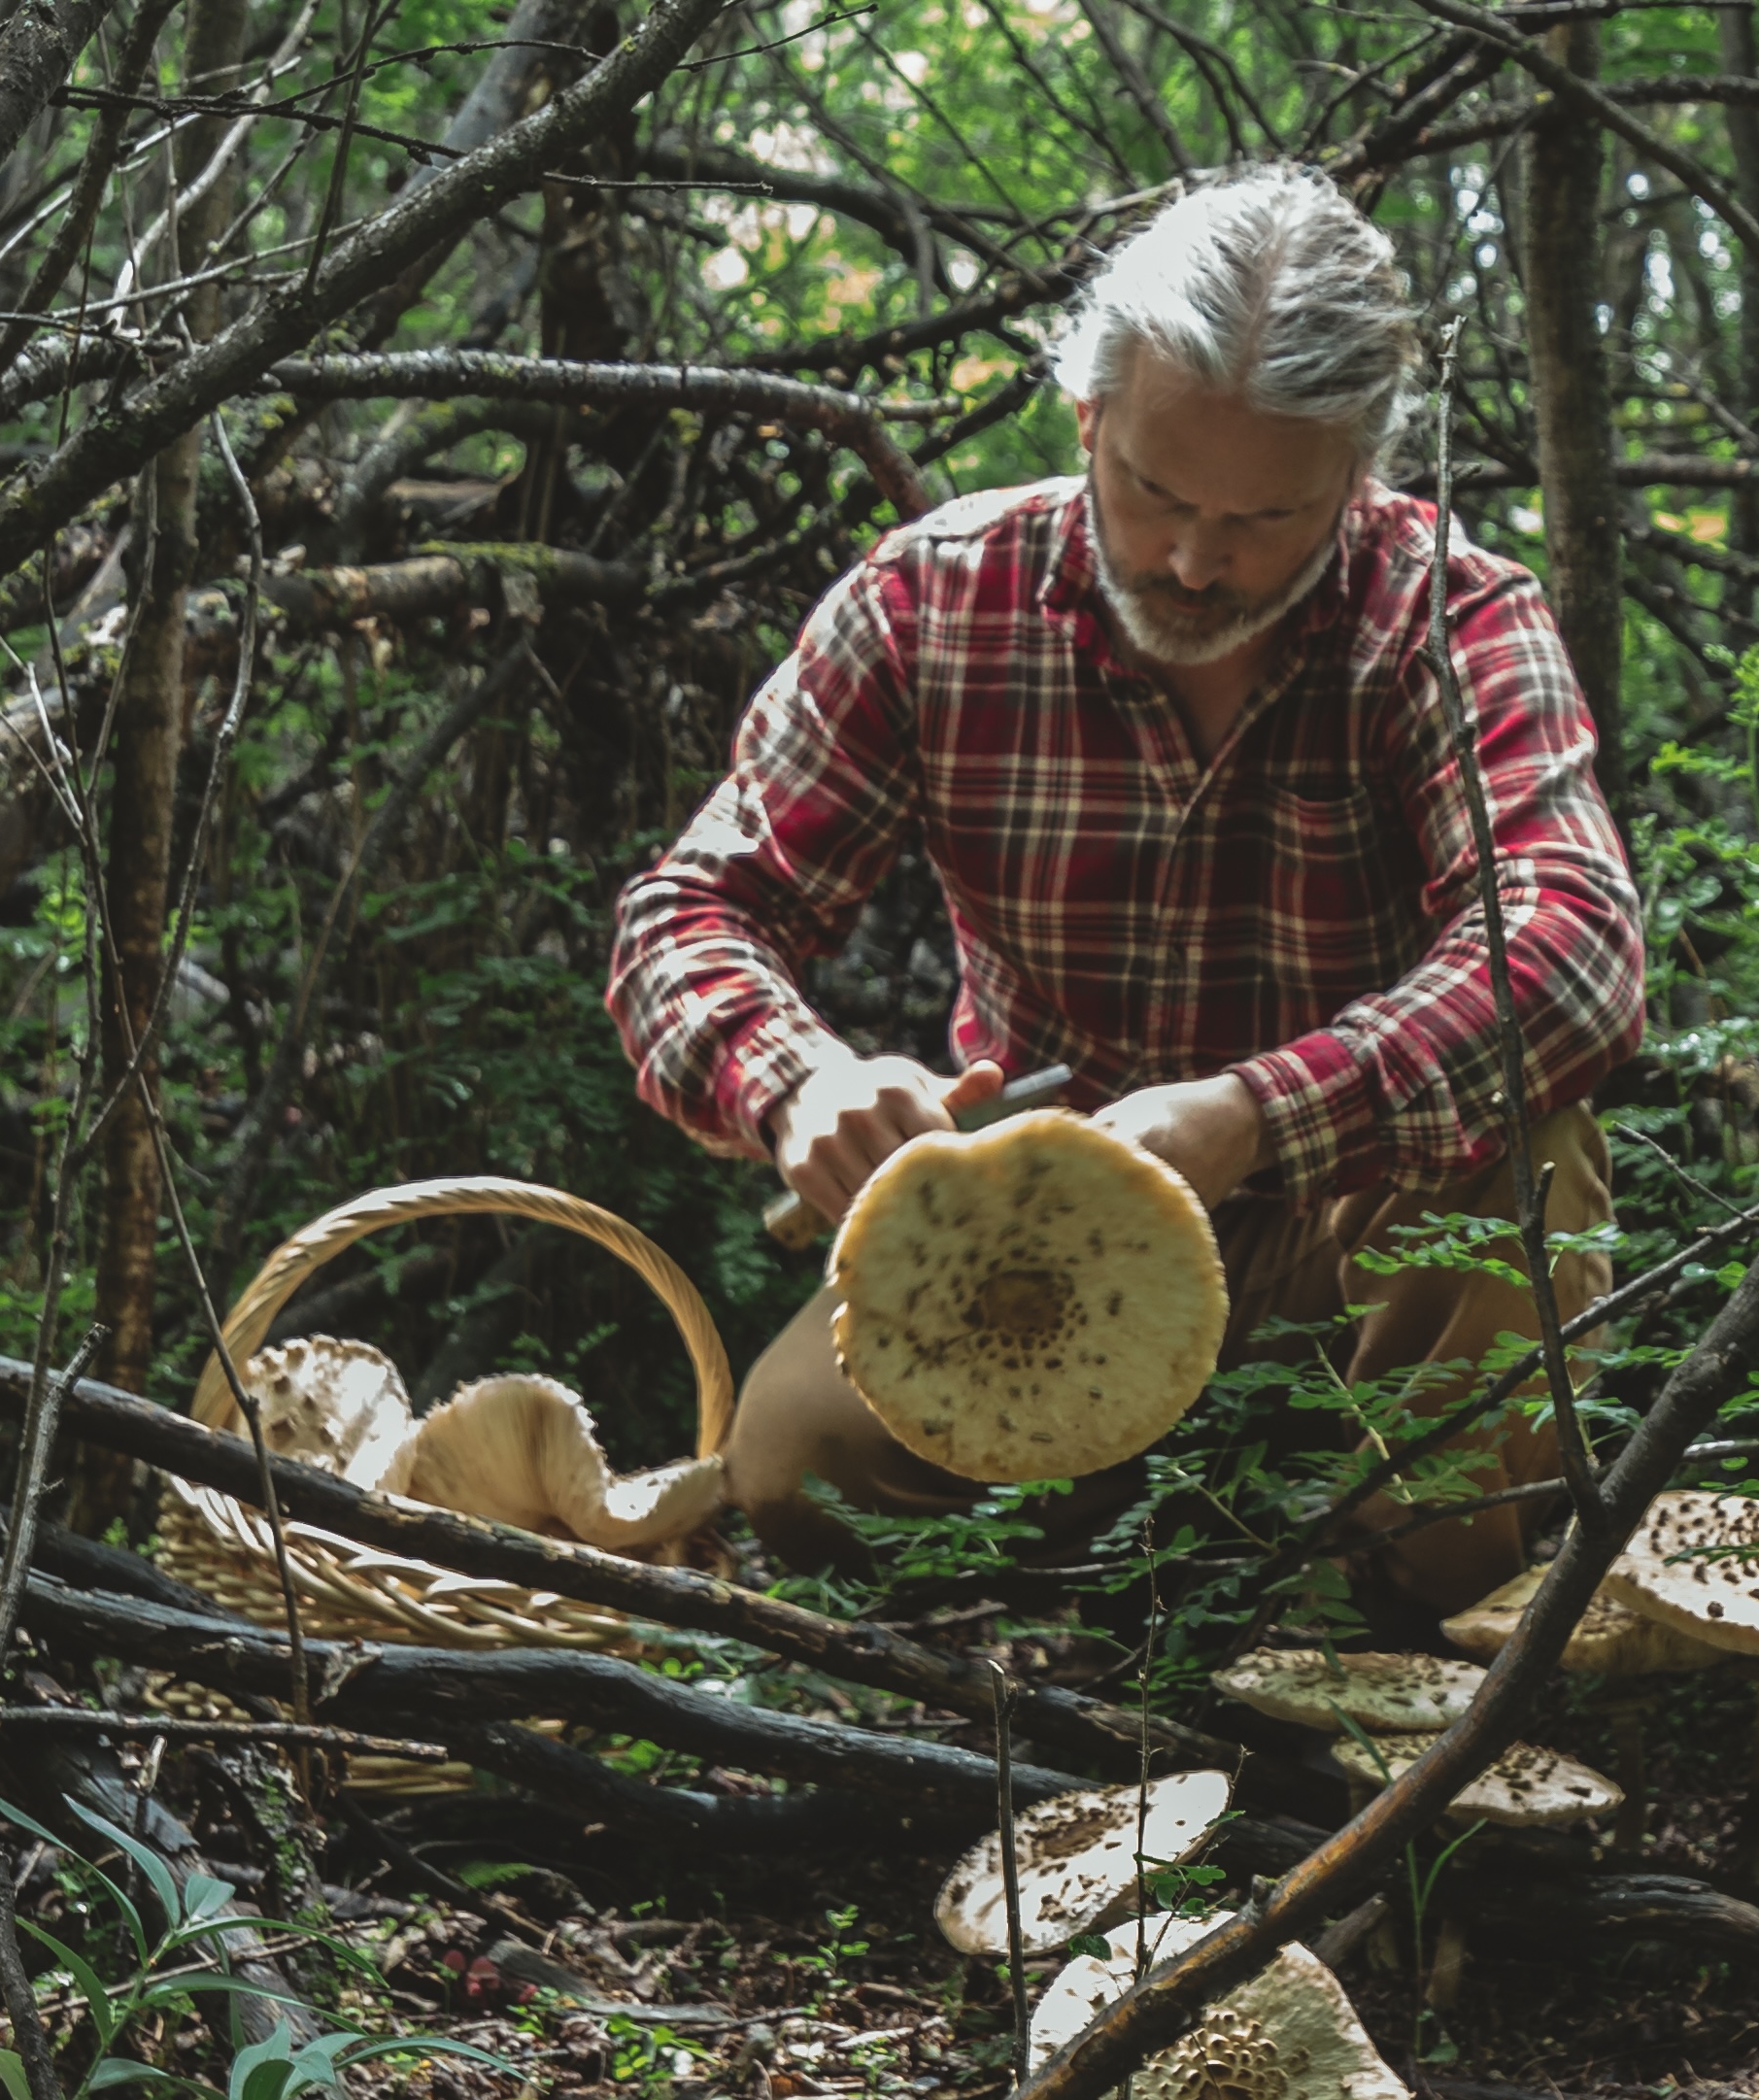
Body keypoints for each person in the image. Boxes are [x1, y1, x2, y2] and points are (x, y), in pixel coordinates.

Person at [606, 164, 1643, 1624]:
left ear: (1358, 475)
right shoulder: (929, 603)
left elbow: (1573, 949)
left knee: (1527, 1146)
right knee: (795, 1471)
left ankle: (1399, 1640)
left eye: (1267, 518)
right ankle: (1098, 1624)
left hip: (1347, 1232)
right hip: (1028, 1245)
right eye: (1152, 488)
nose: (1192, 560)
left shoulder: (1448, 616)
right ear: (1087, 414)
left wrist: (1249, 1115)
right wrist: (795, 1085)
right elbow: (690, 914)